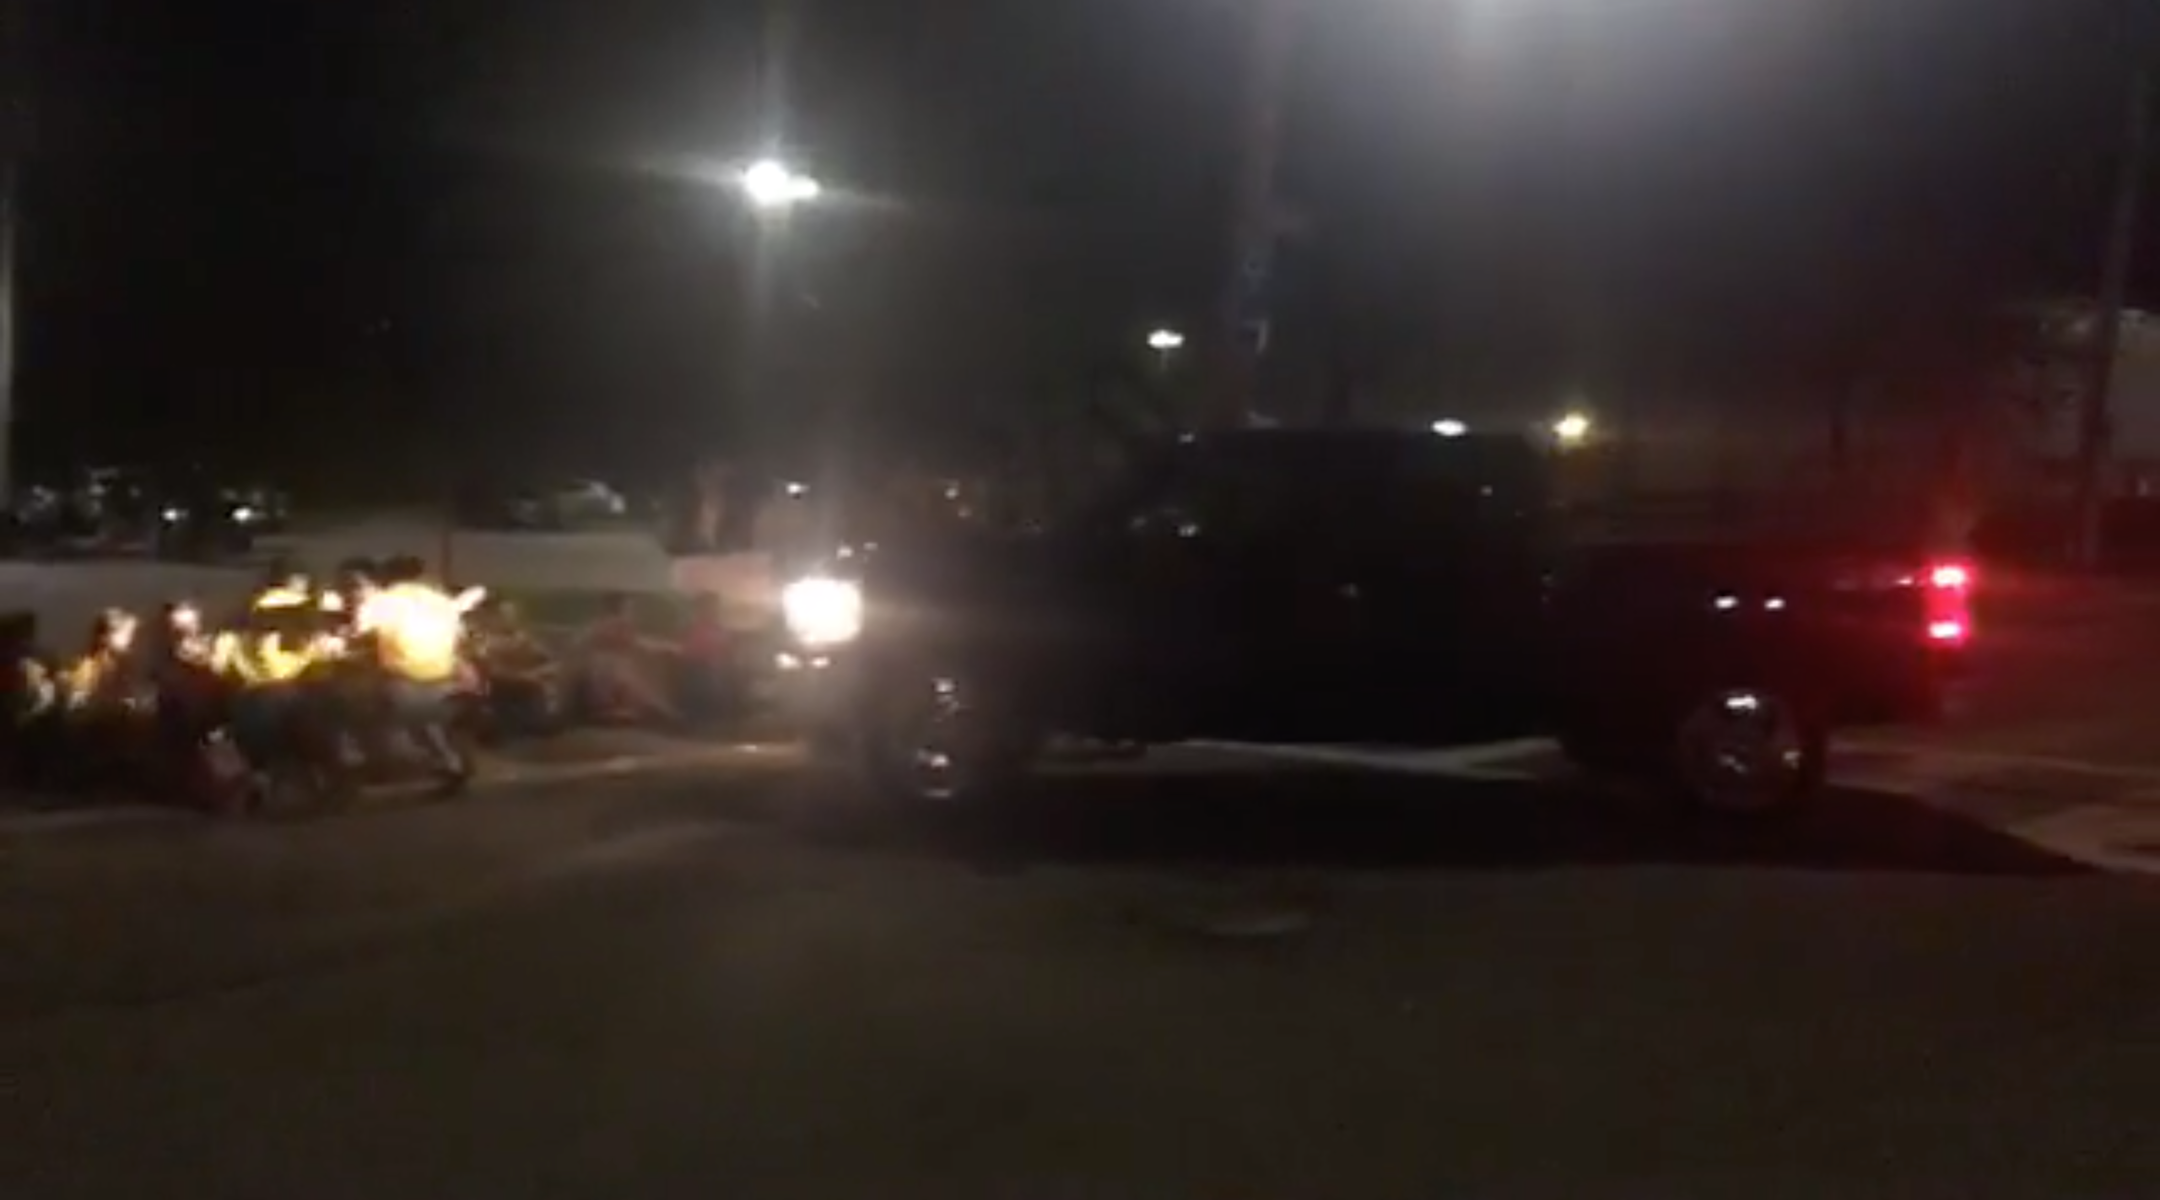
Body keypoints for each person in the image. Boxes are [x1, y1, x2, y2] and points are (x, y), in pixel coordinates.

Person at [572, 593, 679, 723]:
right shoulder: (621, 624)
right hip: (614, 667)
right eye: (629, 607)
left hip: (599, 666)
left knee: (634, 681)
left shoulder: (598, 624)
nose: (631, 610)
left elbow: (582, 641)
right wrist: (665, 648)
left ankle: (611, 710)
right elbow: (635, 643)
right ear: (622, 607)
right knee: (643, 685)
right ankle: (664, 713)